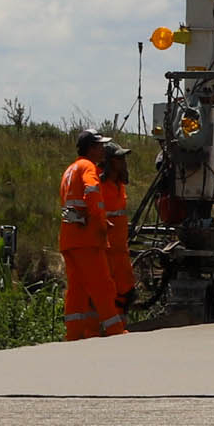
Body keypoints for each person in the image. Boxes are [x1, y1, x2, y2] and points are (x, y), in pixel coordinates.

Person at [58, 130, 123, 340]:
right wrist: (100, 221)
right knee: (102, 285)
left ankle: (73, 335)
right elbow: (92, 191)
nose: (103, 150)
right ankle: (115, 330)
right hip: (87, 239)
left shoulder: (70, 170)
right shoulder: (88, 167)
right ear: (91, 148)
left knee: (76, 289)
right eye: (100, 146)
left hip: (70, 238)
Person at [96, 137, 138, 323]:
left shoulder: (118, 184)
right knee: (108, 293)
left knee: (125, 293)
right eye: (118, 158)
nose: (123, 163)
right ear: (108, 162)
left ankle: (120, 328)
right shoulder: (98, 183)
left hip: (120, 252)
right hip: (106, 252)